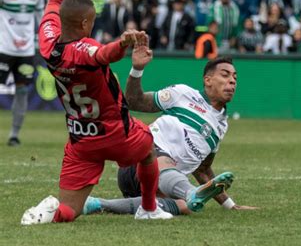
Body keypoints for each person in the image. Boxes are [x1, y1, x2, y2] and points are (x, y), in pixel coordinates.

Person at [20, 0, 172, 226]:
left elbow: (54, 0)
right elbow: (103, 54)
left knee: (69, 211)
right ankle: (149, 208)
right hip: (115, 133)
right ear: (86, 23)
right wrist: (124, 43)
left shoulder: (48, 42)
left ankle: (49, 211)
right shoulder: (84, 48)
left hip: (81, 139)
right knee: (149, 148)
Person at [98, 49, 257, 213]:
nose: (232, 81)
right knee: (163, 162)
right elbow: (134, 102)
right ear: (208, 80)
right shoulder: (183, 94)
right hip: (138, 161)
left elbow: (202, 169)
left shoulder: (221, 126)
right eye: (225, 75)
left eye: (235, 78)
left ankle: (98, 204)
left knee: (184, 207)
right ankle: (190, 192)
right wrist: (137, 69)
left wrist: (230, 205)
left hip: (160, 184)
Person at [0, 0, 44, 147]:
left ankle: (14, 135)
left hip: (26, 52)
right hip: (3, 48)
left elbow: (40, 18)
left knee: (22, 91)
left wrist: (43, 40)